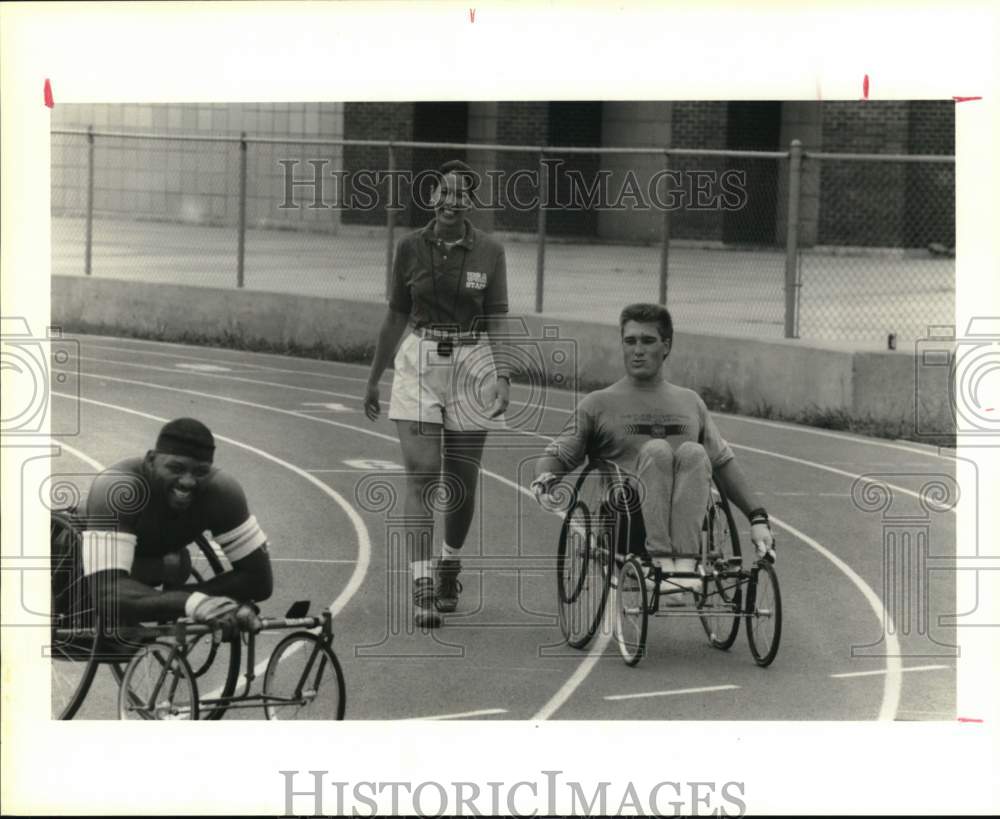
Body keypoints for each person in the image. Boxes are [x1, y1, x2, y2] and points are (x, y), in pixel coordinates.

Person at [531, 303, 774, 603]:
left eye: (647, 341)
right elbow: (559, 454)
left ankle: (683, 567)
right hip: (629, 524)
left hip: (691, 529)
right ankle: (662, 561)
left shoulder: (690, 402)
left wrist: (758, 518)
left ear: (666, 346)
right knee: (657, 451)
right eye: (630, 341)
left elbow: (722, 464)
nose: (638, 350)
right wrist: (544, 480)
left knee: (695, 454)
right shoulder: (598, 403)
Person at [363, 159, 510, 628]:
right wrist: (373, 377)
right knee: (424, 472)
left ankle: (450, 562)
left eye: (460, 194)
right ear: (432, 198)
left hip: (472, 364)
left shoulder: (490, 251)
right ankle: (422, 581)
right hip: (421, 361)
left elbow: (497, 320)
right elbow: (394, 316)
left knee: (461, 481)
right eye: (443, 192)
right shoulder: (409, 248)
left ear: (471, 201)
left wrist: (503, 374)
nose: (451, 201)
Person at [57, 417, 273, 633]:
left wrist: (214, 603)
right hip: (69, 561)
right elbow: (107, 593)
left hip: (145, 563)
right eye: (176, 468)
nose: (188, 481)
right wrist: (192, 603)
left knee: (178, 565)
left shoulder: (223, 492)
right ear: (151, 460)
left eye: (200, 472)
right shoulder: (119, 487)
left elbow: (258, 581)